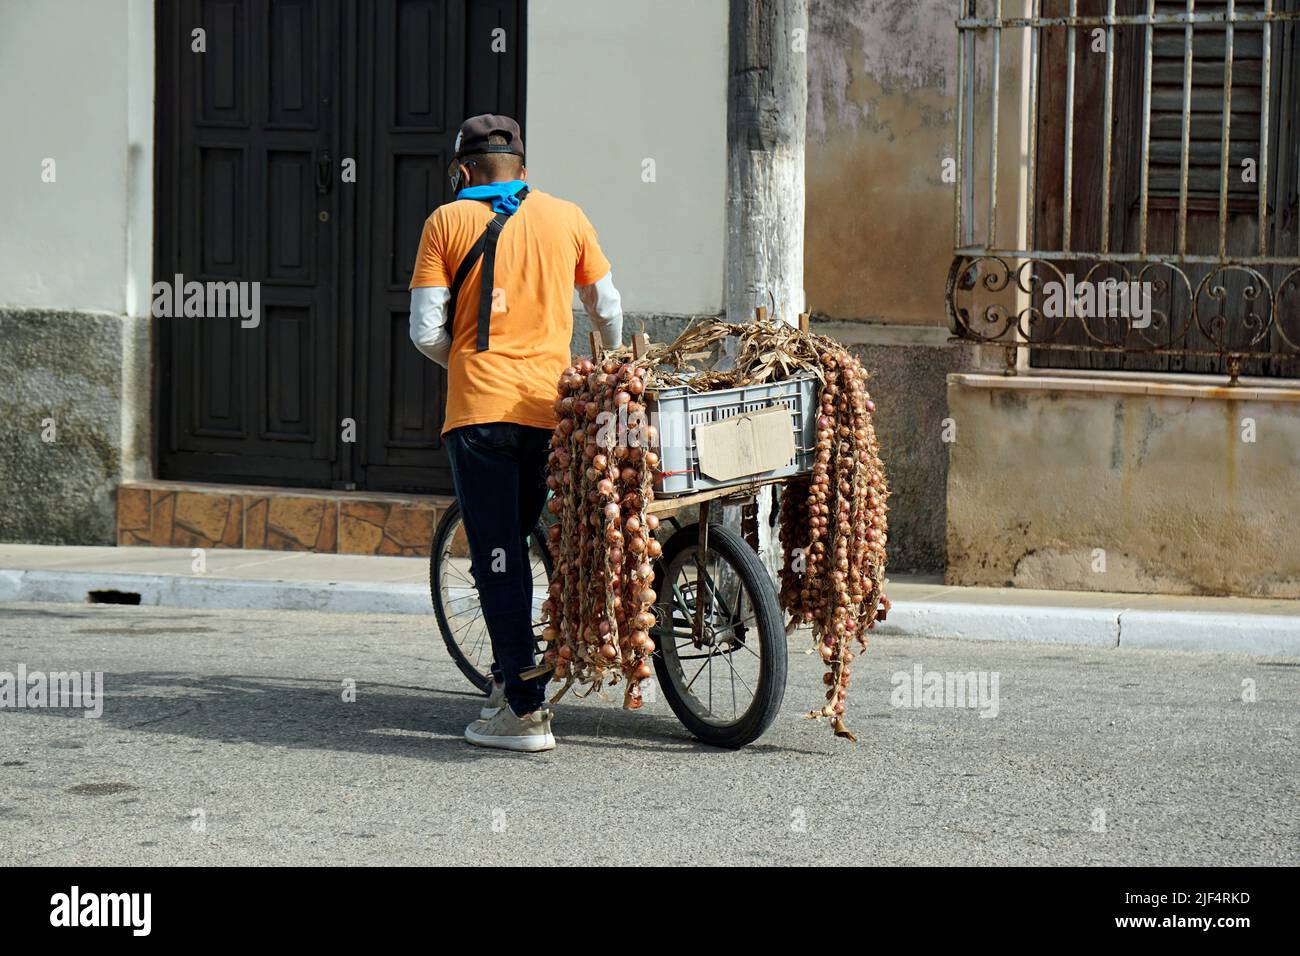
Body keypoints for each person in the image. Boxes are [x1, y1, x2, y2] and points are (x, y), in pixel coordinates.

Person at [408, 114, 623, 752]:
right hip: (553, 412)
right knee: (528, 539)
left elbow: (424, 330)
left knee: (498, 556)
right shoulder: (567, 217)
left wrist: (473, 365)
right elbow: (606, 307)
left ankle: (524, 713)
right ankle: (517, 672)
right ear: (523, 167)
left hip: (481, 417)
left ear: (464, 171)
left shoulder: (445, 223)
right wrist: (608, 366)